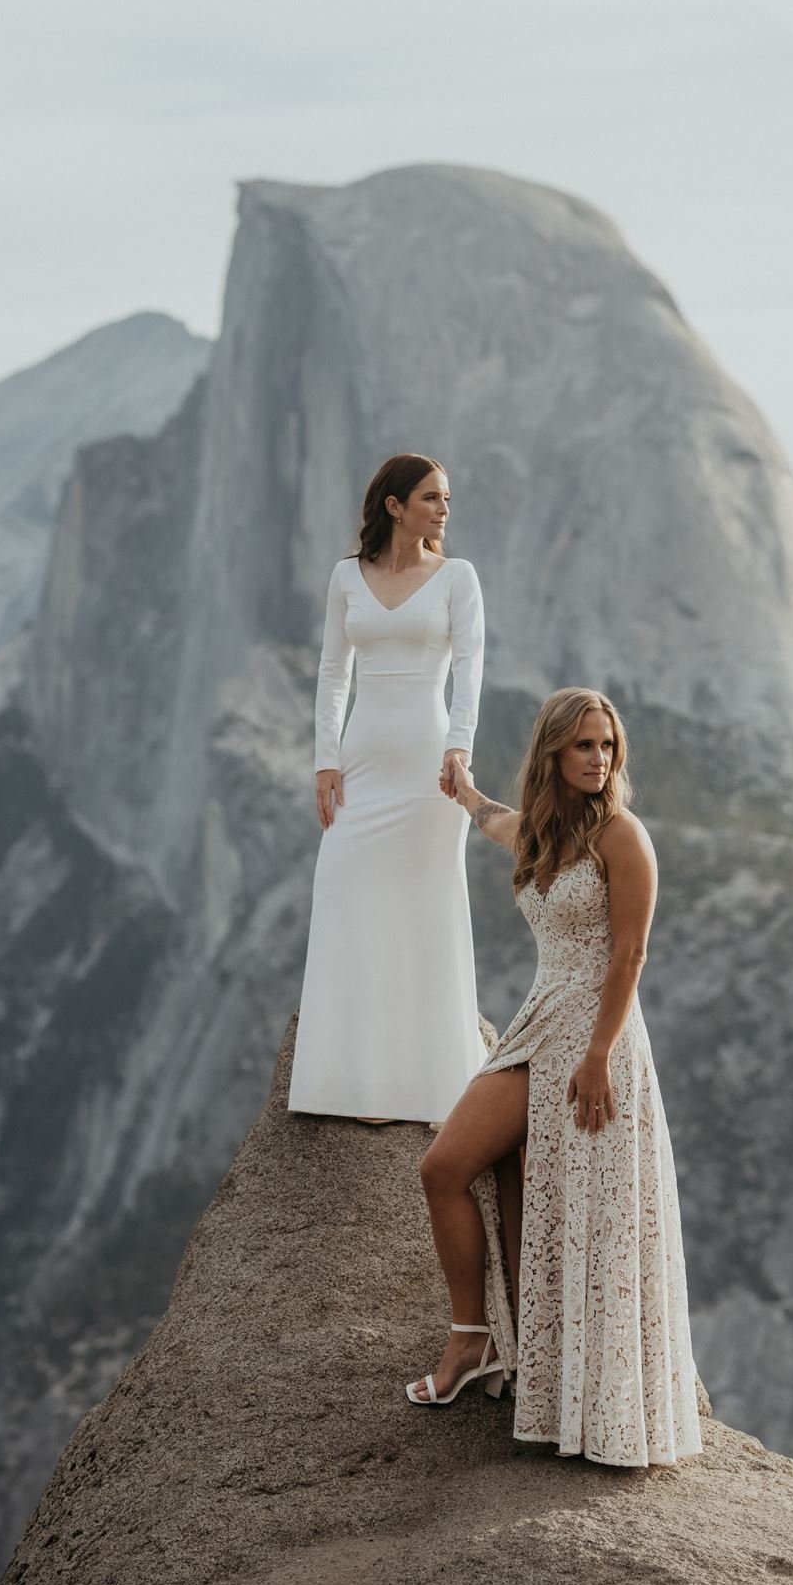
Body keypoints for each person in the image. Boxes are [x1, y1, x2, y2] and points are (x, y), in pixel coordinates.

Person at [404, 688, 704, 1469]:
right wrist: (465, 791)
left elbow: (630, 954)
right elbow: (495, 820)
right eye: (582, 746)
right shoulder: (542, 833)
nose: (598, 759)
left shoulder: (622, 835)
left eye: (606, 746)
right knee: (447, 1169)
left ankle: (572, 1390)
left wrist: (600, 1055)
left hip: (594, 1044)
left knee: (576, 1215)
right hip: (536, 1027)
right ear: (552, 754)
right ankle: (472, 1339)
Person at [287, 453, 487, 1125]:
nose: (443, 510)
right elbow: (331, 674)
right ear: (394, 505)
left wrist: (459, 751)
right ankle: (353, 1085)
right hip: (362, 763)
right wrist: (324, 761)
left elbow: (471, 671)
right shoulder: (347, 577)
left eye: (447, 499)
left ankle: (432, 1087)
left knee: (426, 909)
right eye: (430, 497)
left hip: (430, 767)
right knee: (346, 897)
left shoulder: (457, 578)